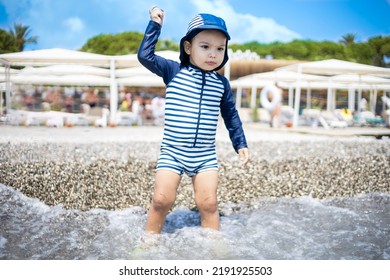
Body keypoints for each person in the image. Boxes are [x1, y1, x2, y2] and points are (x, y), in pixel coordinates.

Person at [138, 7, 249, 234]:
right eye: (205, 46)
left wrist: (241, 144)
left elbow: (231, 116)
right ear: (188, 47)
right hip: (173, 151)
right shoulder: (173, 71)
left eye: (220, 48)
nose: (213, 54)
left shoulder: (221, 84)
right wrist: (155, 25)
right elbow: (145, 56)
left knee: (209, 204)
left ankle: (214, 247)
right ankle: (149, 241)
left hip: (204, 155)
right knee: (161, 201)